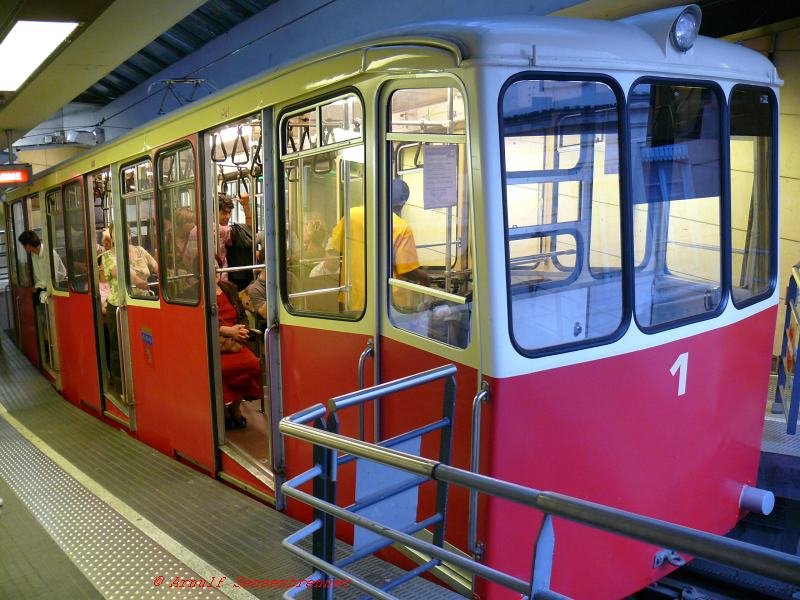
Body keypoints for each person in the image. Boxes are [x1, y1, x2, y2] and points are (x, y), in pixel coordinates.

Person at [326, 178, 428, 312]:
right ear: (402, 204)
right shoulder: (401, 227)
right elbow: (408, 271)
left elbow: (335, 248)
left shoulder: (351, 215)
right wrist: (425, 277)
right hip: (390, 304)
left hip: (351, 299)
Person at [216, 255, 261, 429]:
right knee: (221, 370)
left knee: (253, 364)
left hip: (235, 341)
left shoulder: (229, 288)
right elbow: (200, 321)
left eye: (216, 266)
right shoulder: (198, 293)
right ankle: (221, 409)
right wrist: (227, 331)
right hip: (215, 343)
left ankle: (234, 407)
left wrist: (241, 330)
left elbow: (240, 314)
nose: (214, 270)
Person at [17, 230, 66, 304]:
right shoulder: (34, 255)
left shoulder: (50, 253)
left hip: (58, 286)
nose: (23, 248)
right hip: (43, 286)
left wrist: (37, 286)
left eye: (23, 245)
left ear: (28, 245)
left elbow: (53, 276)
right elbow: (38, 276)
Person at [101, 223, 122, 391]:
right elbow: (118, 273)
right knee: (116, 345)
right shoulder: (107, 257)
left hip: (131, 305)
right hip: (115, 305)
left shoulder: (136, 252)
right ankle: (120, 383)